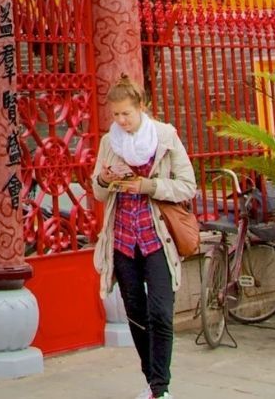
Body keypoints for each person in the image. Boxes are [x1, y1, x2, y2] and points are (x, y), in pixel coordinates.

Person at [91, 75, 195, 399]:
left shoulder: (164, 137)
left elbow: (187, 185)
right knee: (135, 314)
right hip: (123, 240)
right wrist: (106, 179)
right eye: (116, 115)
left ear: (142, 108)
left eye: (127, 114)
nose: (121, 121)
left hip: (156, 238)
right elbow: (97, 191)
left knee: (160, 312)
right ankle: (154, 385)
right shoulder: (110, 143)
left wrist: (149, 186)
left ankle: (161, 386)